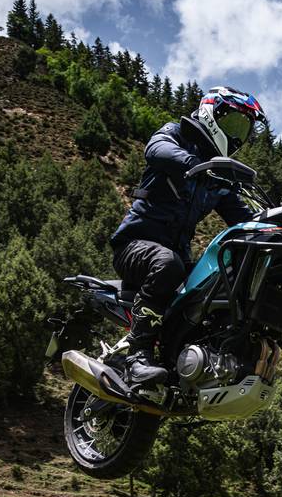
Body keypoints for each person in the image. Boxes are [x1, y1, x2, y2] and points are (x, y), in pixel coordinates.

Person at [107, 86, 267, 385]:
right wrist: (197, 165)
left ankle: (189, 362)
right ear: (211, 113)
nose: (237, 135)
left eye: (243, 129)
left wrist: (274, 223)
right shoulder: (177, 134)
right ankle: (137, 356)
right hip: (134, 246)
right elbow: (156, 150)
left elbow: (244, 219)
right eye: (233, 123)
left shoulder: (218, 178)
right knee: (167, 263)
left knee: (219, 286)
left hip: (178, 259)